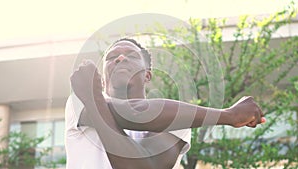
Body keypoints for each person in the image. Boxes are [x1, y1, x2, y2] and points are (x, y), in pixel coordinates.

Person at [65, 38, 266, 169]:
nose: (120, 58)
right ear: (101, 80)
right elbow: (136, 113)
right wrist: (227, 115)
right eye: (110, 58)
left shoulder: (178, 119)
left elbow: (146, 166)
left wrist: (95, 101)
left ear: (147, 75)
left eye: (132, 55)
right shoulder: (78, 102)